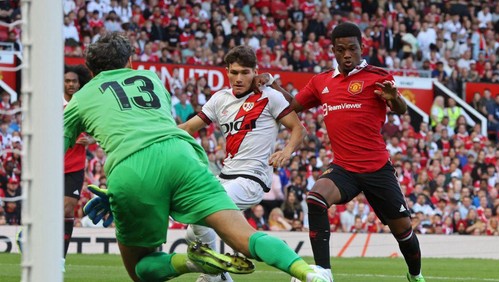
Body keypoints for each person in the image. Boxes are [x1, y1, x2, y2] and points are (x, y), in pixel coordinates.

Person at [64, 32, 329, 282]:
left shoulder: (80, 97)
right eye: (234, 72)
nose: (238, 78)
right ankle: (308, 273)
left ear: (90, 70)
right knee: (241, 236)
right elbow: (159, 130)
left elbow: (61, 149)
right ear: (130, 61)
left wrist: (121, 193)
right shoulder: (152, 79)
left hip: (135, 170)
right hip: (182, 156)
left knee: (140, 269)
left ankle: (197, 265)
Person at [257, 22, 425, 282]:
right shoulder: (321, 81)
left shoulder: (377, 76)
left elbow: (401, 110)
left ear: (362, 48)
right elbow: (292, 106)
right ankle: (323, 271)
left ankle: (416, 275)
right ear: (333, 51)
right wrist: (272, 84)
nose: (348, 54)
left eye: (353, 49)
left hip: (377, 168)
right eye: (341, 49)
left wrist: (395, 97)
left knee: (403, 231)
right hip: (344, 168)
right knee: (315, 198)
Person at [179, 45, 306, 282]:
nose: (239, 78)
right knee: (193, 230)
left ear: (255, 72)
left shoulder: (269, 97)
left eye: (245, 72)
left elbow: (298, 128)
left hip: (252, 178)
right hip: (226, 175)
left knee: (203, 210)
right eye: (234, 72)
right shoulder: (220, 99)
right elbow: (188, 128)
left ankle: (218, 275)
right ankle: (220, 275)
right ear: (227, 71)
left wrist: (286, 151)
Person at [63, 64, 93, 270]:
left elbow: (98, 129)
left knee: (66, 209)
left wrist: (90, 139)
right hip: (50, 164)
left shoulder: (84, 106)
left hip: (74, 166)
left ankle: (60, 259)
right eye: (67, 81)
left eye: (74, 81)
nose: (71, 84)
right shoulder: (51, 104)